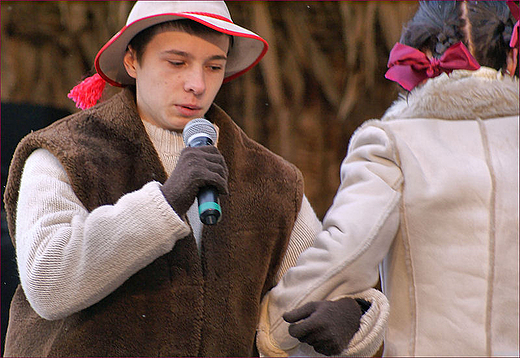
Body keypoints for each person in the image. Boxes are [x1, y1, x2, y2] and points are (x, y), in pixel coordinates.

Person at [2, 1, 388, 356]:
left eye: (214, 66)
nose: (198, 84)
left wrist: (354, 316)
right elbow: (47, 282)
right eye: (176, 62)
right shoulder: (63, 153)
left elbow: (315, 293)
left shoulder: (271, 180)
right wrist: (166, 202)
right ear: (133, 60)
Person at [257, 1, 519, 356]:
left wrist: (268, 329)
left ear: (420, 54)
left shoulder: (391, 143)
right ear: (512, 58)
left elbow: (345, 253)